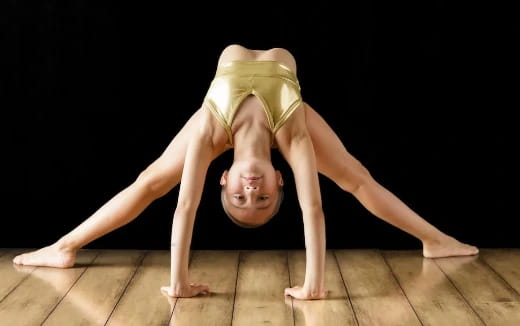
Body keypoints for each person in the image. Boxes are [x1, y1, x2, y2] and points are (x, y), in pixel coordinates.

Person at [12, 44, 478, 301]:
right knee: (355, 177)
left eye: (239, 198)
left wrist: (180, 282)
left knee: (153, 181)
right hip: (283, 101)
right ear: (281, 180)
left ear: (223, 178)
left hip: (227, 109)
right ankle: (435, 240)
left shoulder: (208, 132)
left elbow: (185, 205)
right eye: (261, 199)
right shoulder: (294, 138)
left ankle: (62, 246)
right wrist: (313, 283)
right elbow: (312, 207)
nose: (250, 191)